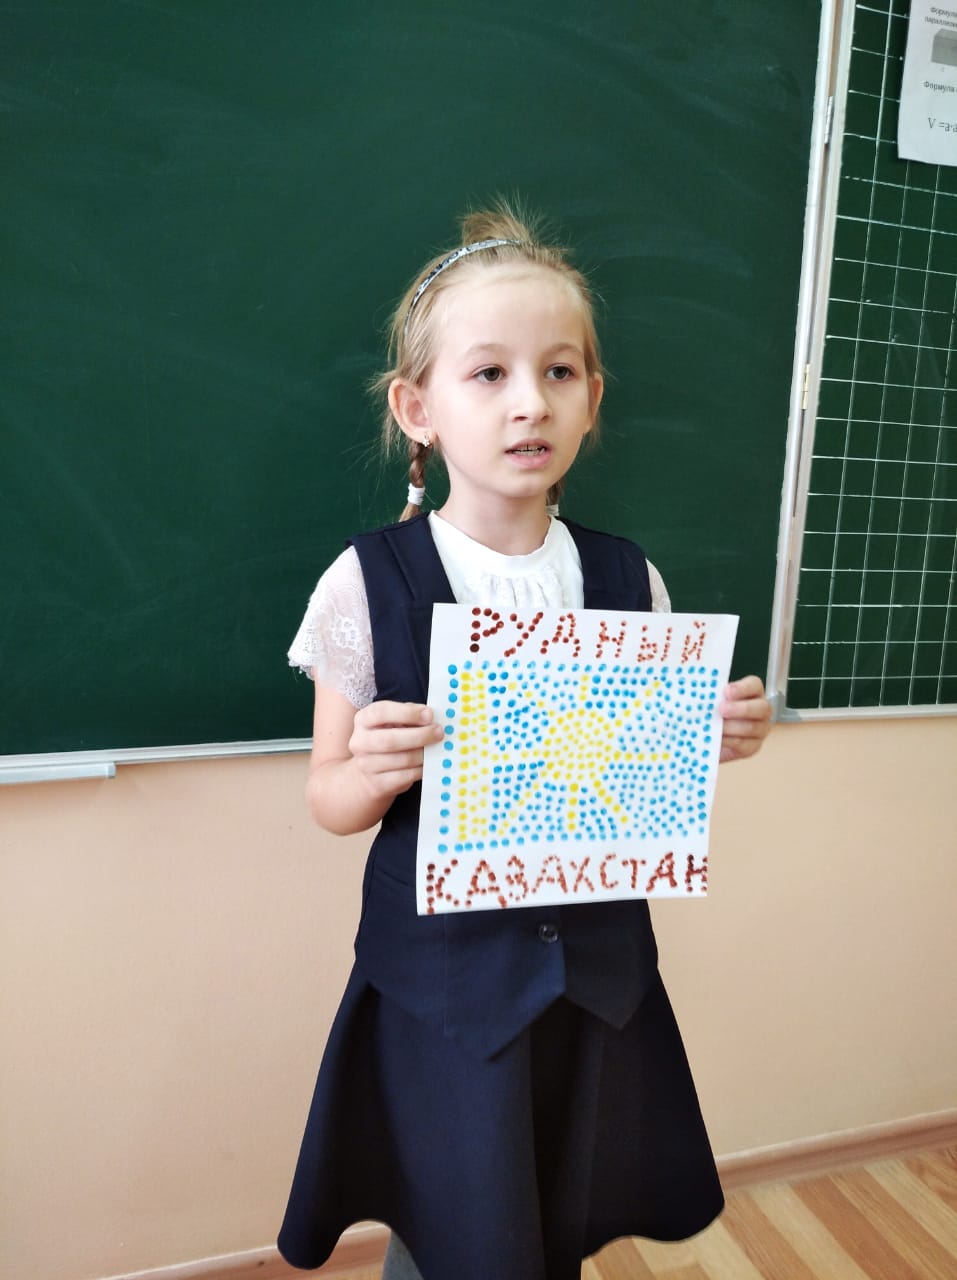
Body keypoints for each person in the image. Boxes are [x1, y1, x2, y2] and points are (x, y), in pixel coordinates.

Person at [278, 205, 772, 1280]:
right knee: (452, 1218)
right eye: (488, 373)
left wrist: (709, 735)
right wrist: (367, 770)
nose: (529, 402)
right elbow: (326, 796)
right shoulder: (367, 582)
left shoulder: (627, 578)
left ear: (593, 399)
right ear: (418, 408)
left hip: (595, 980)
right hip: (444, 993)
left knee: (555, 1207)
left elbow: (630, 772)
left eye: (559, 371)